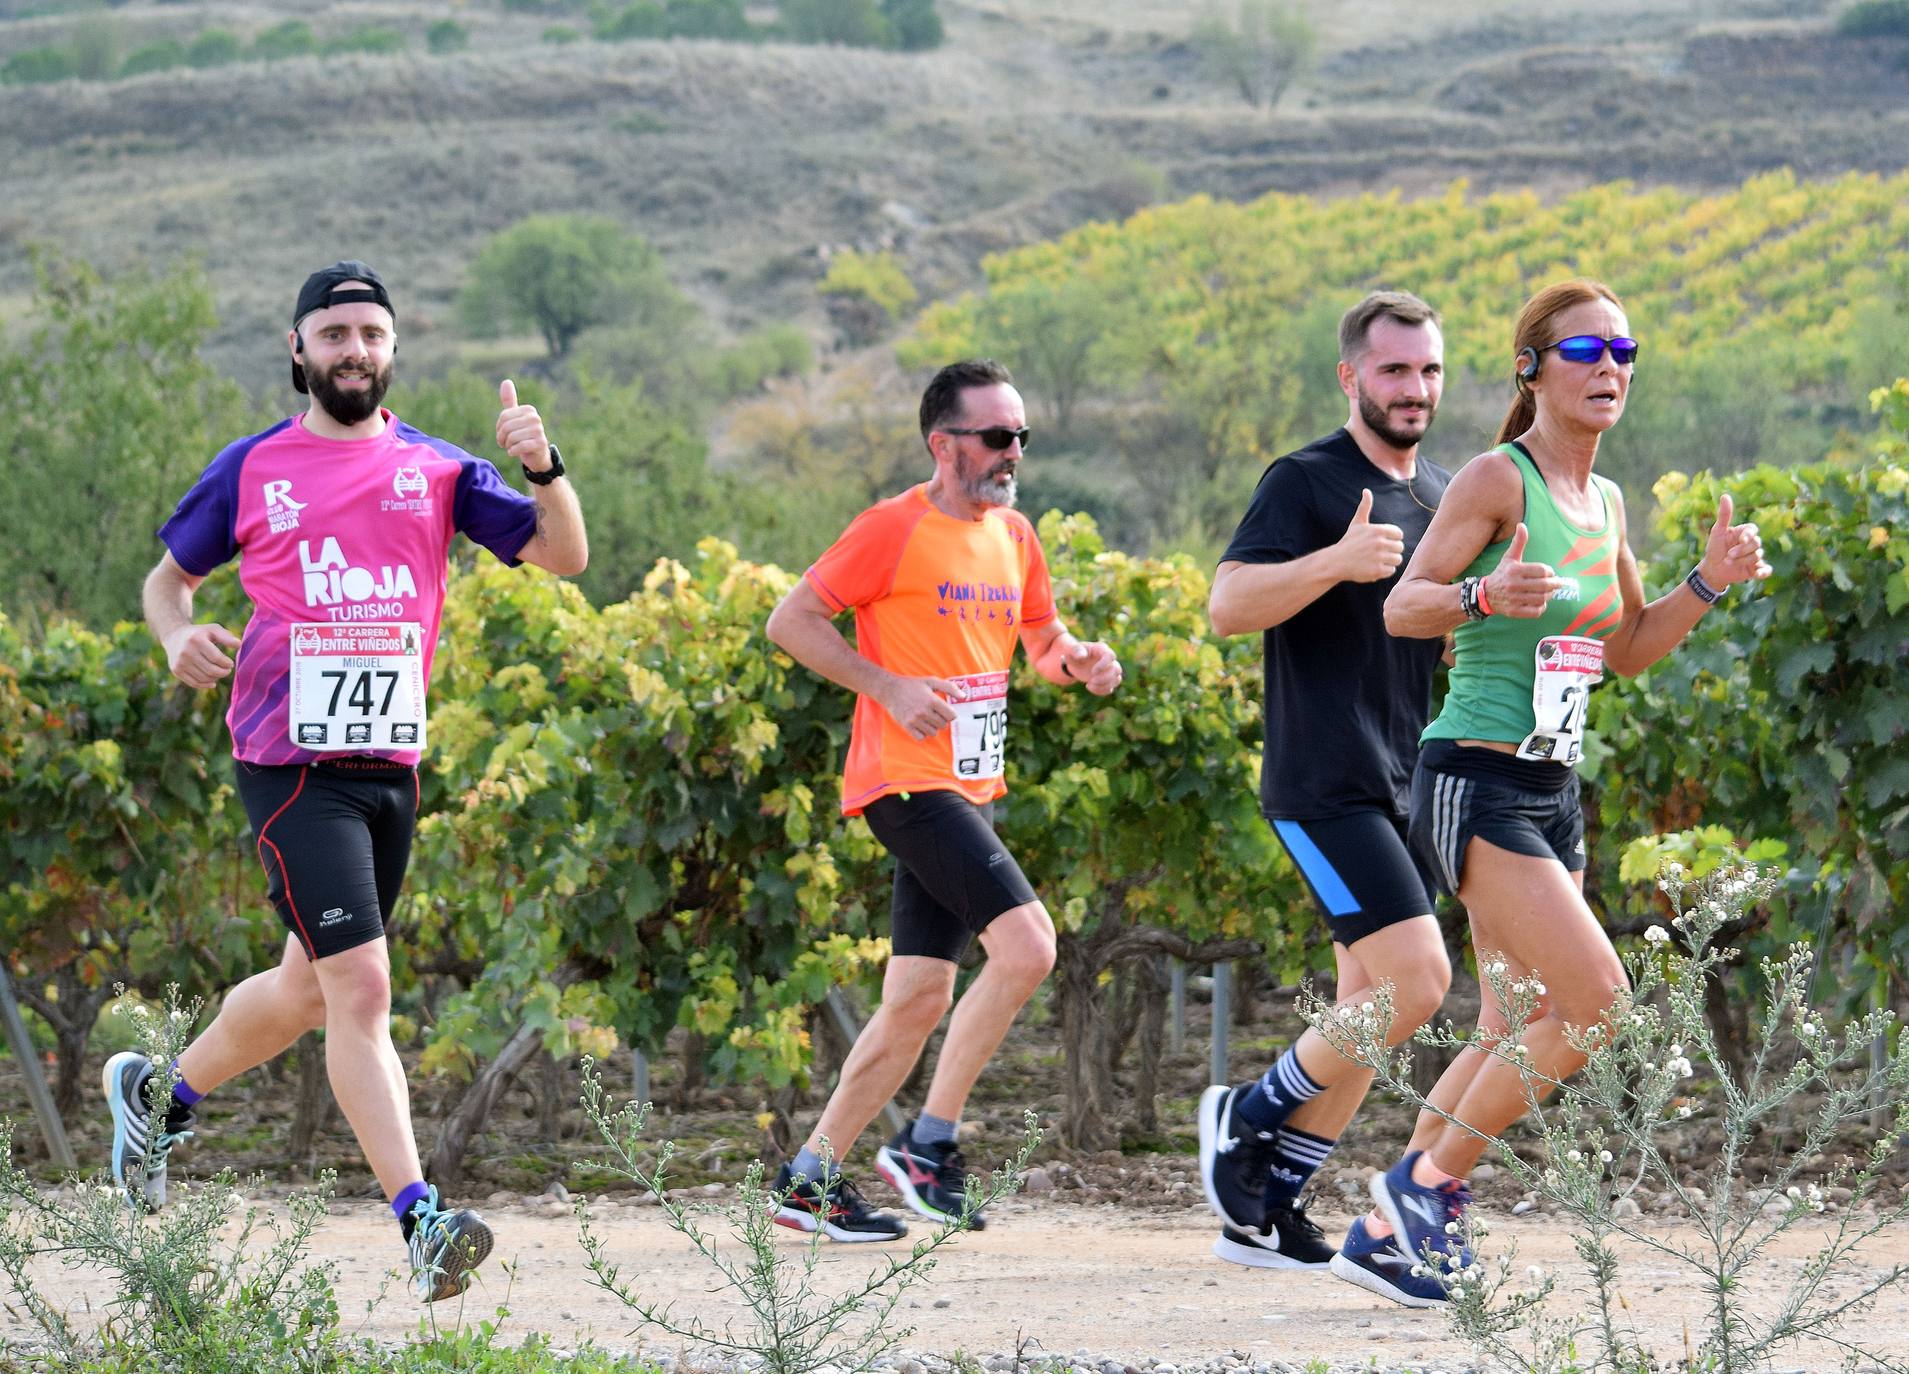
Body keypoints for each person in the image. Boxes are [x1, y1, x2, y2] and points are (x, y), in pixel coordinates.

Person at [105, 260, 588, 1302]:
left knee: (305, 988)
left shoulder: (439, 469)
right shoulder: (252, 467)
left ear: (392, 349)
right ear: (299, 351)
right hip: (286, 761)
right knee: (361, 989)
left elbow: (564, 555)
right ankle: (420, 1223)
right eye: (334, 336)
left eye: (370, 333)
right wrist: (176, 635)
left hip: (389, 764)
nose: (353, 350)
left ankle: (159, 1100)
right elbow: (166, 581)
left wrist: (546, 467)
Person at [1371, 279, 1769, 1297]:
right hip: (1476, 777)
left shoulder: (1607, 501)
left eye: (1622, 351)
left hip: (1554, 783)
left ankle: (1393, 1224)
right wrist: (1478, 595)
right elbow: (1404, 608)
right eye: (1585, 350)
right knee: (1595, 1005)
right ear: (1530, 368)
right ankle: (1424, 1184)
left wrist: (1709, 582)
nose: (1609, 367)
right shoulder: (1499, 483)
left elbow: (1627, 648)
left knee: (1515, 1024)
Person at [763, 359, 1122, 1241]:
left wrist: (1076, 659)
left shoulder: (1014, 535)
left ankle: (808, 1176)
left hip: (970, 785)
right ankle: (929, 1145)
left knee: (918, 999)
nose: (1012, 454)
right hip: (906, 781)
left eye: (1021, 438)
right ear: (943, 442)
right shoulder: (892, 527)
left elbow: (1038, 639)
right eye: (996, 438)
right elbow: (792, 620)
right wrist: (883, 685)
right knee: (1029, 946)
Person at [1199, 290, 1484, 1300]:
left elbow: (1430, 632)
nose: (1415, 389)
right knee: (1416, 980)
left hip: (1403, 780)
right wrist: (1334, 563)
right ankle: (1248, 1114)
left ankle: (1264, 1201)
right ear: (1350, 376)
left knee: (1372, 1006)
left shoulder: (1445, 495)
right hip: (1321, 782)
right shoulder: (1310, 481)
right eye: (1395, 370)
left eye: (1429, 371)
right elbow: (1227, 604)